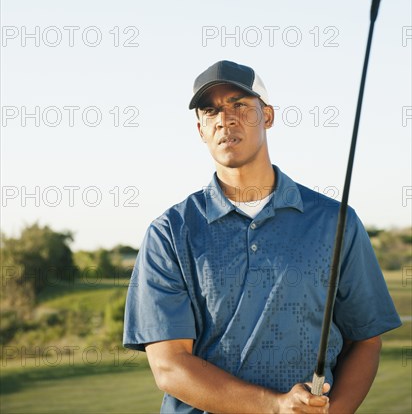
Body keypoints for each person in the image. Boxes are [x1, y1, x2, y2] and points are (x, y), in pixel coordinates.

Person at [123, 60, 401, 414]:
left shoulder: (335, 221)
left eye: (239, 105)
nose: (225, 119)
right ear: (201, 130)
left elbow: (365, 339)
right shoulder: (170, 232)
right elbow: (170, 366)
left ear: (267, 116)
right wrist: (275, 407)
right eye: (211, 111)